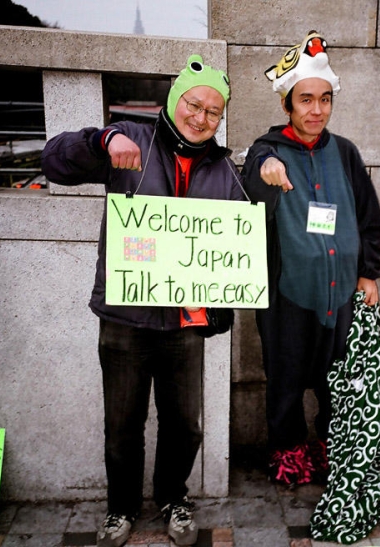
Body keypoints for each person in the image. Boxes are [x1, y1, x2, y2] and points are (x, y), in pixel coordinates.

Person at [41, 55, 243, 547]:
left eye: (213, 112)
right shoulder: (132, 138)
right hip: (125, 318)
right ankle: (121, 508)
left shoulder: (224, 170)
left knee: (185, 426)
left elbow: (236, 250)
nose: (201, 118)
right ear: (176, 100)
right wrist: (102, 140)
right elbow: (54, 162)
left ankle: (173, 498)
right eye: (194, 104)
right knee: (122, 425)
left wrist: (223, 302)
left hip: (184, 323)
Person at [241, 31, 380, 486]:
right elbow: (252, 180)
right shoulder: (268, 150)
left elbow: (368, 216)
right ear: (287, 104)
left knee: (336, 380)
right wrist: (264, 165)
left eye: (325, 100)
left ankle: (329, 449)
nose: (316, 110)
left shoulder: (345, 152)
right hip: (287, 292)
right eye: (306, 100)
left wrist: (368, 273)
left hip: (341, 291)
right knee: (284, 378)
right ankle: (287, 454)